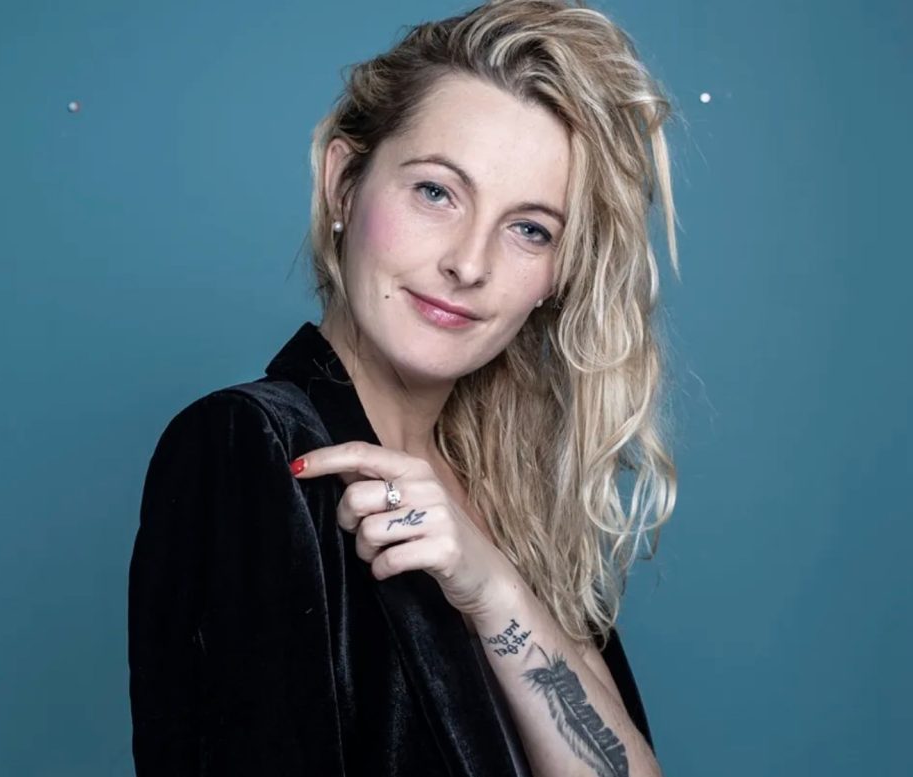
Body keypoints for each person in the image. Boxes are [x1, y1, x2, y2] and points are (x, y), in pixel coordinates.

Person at [127, 0, 680, 774]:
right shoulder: (250, 448)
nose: (470, 262)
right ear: (344, 183)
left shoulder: (516, 502)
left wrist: (496, 590)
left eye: (530, 228)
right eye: (436, 192)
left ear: (557, 277)